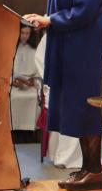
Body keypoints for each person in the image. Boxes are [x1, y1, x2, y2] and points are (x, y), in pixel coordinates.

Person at [24, 0, 102, 190]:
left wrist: (51, 20)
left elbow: (84, 10)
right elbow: (64, 6)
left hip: (83, 50)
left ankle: (95, 169)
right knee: (76, 108)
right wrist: (47, 16)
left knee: (85, 108)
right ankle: (86, 167)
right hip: (69, 46)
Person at [35, 32, 82, 169]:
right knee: (60, 112)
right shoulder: (51, 33)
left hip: (75, 81)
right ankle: (58, 154)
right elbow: (40, 58)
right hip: (56, 82)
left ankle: (70, 155)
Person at [10, 24, 40, 140]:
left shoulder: (35, 51)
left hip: (30, 86)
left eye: (27, 33)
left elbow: (39, 72)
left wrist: (32, 82)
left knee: (33, 98)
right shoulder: (11, 49)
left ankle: (29, 133)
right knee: (12, 97)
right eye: (22, 33)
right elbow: (6, 70)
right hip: (14, 85)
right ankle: (14, 132)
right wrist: (13, 81)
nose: (24, 36)